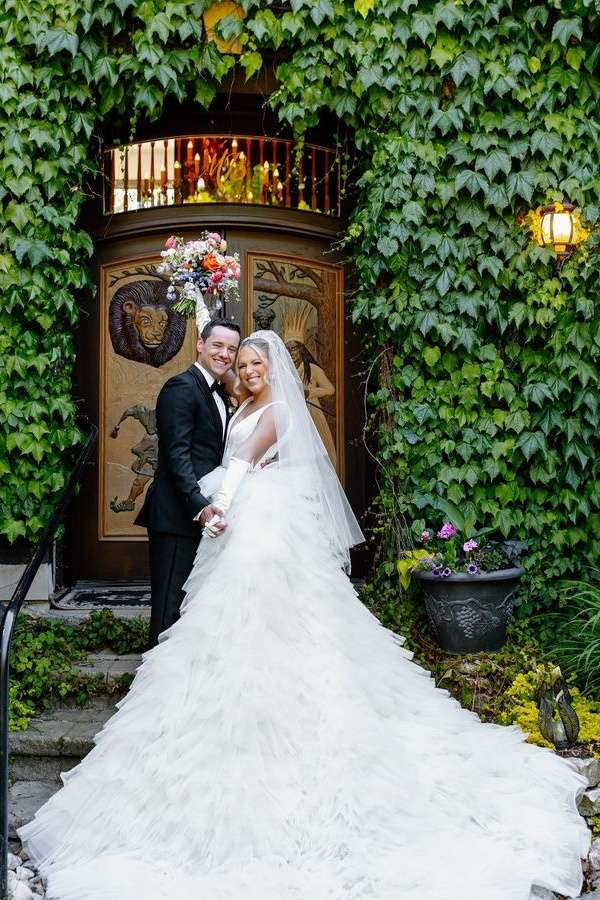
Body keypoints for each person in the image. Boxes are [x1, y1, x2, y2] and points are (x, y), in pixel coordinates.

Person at [20, 331, 589, 900]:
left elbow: (239, 464)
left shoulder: (275, 410)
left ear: (272, 366)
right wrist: (215, 507)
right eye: (239, 362)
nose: (245, 369)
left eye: (253, 362)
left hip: (259, 521)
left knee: (269, 612)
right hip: (236, 518)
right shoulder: (237, 401)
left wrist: (214, 507)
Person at [134, 317, 240, 647]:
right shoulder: (181, 387)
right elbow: (176, 456)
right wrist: (200, 506)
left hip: (202, 514)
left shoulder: (220, 392)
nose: (225, 354)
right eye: (218, 345)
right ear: (200, 344)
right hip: (177, 515)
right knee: (168, 607)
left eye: (231, 349)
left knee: (188, 606)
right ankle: (154, 689)